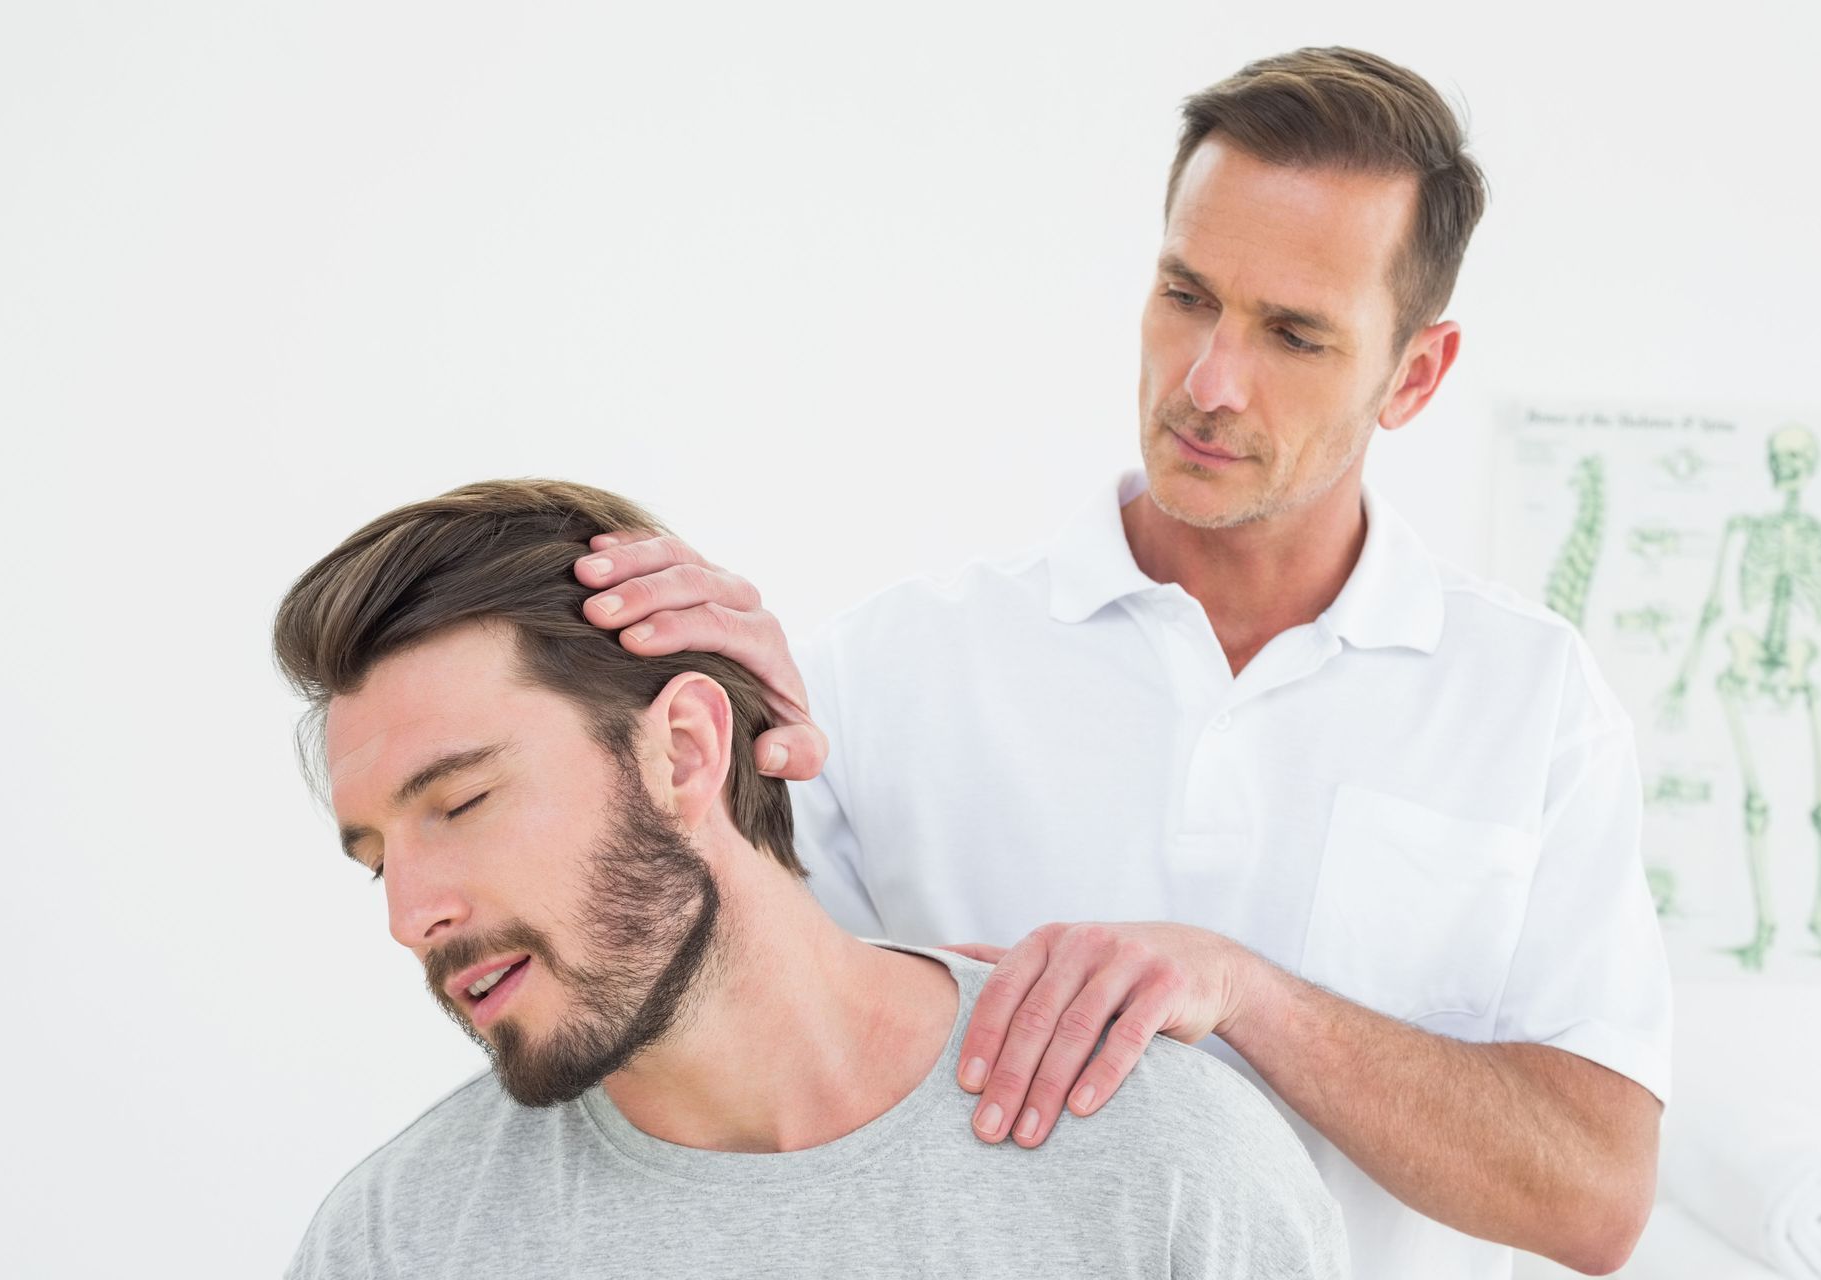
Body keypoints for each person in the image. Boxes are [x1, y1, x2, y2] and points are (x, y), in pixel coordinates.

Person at [571, 47, 1671, 1280]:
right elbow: (679, 1051)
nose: (1209, 381)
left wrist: (1251, 995)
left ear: (1414, 375)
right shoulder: (891, 669)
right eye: (1186, 295)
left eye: (1294, 334)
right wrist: (693, 750)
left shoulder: (1531, 703)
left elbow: (1597, 1198)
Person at [272, 479, 1348, 1279]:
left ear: (684, 753)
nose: (411, 916)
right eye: (377, 860)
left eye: (463, 803)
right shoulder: (394, 1244)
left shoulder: (1167, 1170)